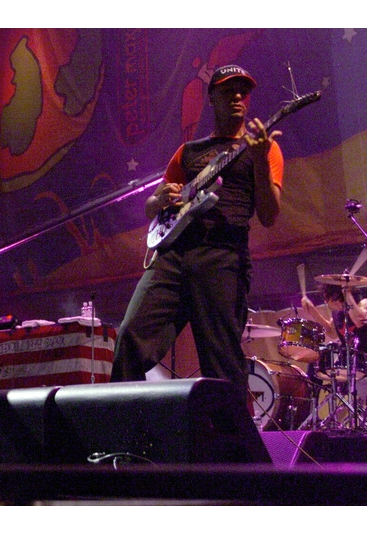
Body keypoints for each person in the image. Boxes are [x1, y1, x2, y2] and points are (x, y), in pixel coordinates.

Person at [110, 65, 284, 410]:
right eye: (228, 90)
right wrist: (161, 199)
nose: (237, 96)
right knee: (130, 338)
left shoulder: (263, 150)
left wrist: (262, 162)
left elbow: (269, 215)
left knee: (222, 364)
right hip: (172, 258)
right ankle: (124, 439)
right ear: (211, 97)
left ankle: (236, 458)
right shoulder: (188, 151)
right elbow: (151, 206)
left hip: (222, 259)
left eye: (242, 91)